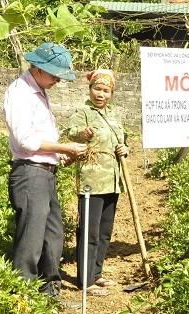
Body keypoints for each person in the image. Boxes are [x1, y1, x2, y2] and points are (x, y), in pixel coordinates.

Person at [4, 42, 87, 297]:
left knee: (52, 235)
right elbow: (26, 142)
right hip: (30, 175)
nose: (57, 82)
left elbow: (40, 141)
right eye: (54, 75)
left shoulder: (38, 91)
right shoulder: (19, 94)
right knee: (31, 238)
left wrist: (60, 157)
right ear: (39, 69)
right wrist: (64, 148)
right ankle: (24, 298)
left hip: (44, 172)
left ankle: (50, 292)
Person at [65, 69, 128, 296]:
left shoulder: (114, 115)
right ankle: (85, 280)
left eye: (105, 90)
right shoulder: (82, 112)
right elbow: (70, 132)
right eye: (97, 89)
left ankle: (97, 274)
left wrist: (125, 148)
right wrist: (84, 133)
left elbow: (123, 139)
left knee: (104, 231)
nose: (101, 94)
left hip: (112, 180)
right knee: (89, 232)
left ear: (111, 93)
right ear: (90, 89)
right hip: (91, 179)